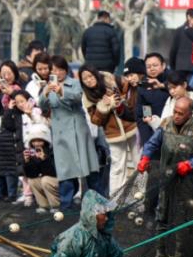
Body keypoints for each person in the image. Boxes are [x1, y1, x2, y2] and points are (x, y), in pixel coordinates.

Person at [139, 96, 193, 257]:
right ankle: (160, 253)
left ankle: (180, 254)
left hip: (189, 180)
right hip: (167, 176)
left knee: (184, 215)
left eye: (181, 113)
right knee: (162, 213)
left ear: (189, 113)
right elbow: (152, 143)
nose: (177, 116)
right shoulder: (166, 123)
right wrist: (145, 157)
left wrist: (190, 164)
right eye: (175, 112)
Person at [39, 56, 103, 207]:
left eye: (60, 69)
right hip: (60, 133)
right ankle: (66, 206)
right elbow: (42, 106)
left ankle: (97, 204)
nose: (57, 73)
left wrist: (62, 91)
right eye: (54, 70)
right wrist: (45, 93)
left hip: (77, 131)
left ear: (66, 70)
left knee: (89, 168)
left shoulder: (75, 83)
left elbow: (77, 98)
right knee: (65, 170)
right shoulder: (48, 86)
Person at [88, 61, 140, 197]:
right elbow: (96, 120)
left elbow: (131, 91)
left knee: (139, 162)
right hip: (113, 133)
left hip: (131, 126)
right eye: (86, 78)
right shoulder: (88, 95)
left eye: (92, 76)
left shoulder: (116, 80)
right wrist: (103, 107)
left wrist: (121, 98)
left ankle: (141, 197)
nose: (90, 80)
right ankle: (116, 198)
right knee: (117, 166)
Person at [0, 61, 24, 203]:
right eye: (3, 74)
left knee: (10, 164)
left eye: (9, 73)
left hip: (12, 131)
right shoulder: (0, 91)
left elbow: (19, 109)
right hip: (0, 130)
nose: (6, 76)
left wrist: (12, 94)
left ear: (15, 73)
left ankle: (11, 194)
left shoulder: (19, 89)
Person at [22, 124, 59, 213]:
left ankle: (56, 205)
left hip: (58, 181)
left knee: (45, 179)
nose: (37, 143)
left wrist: (44, 159)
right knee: (32, 180)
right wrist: (27, 162)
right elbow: (32, 175)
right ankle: (43, 205)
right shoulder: (33, 152)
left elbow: (53, 172)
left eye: (39, 140)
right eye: (34, 141)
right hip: (47, 180)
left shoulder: (53, 151)